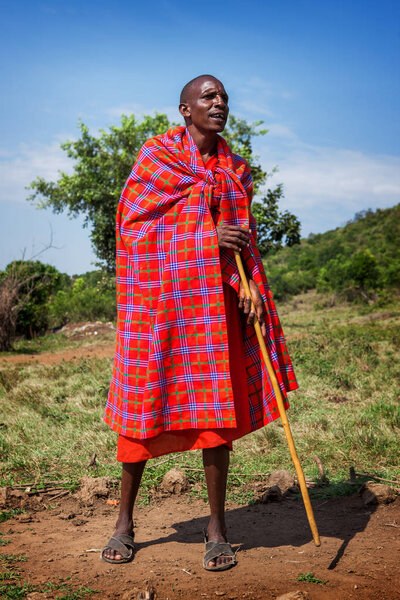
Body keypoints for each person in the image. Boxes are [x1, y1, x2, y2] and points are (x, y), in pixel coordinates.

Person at [102, 75, 298, 570]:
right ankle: (124, 524)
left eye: (224, 98)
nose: (219, 103)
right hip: (163, 306)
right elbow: (133, 229)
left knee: (215, 419)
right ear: (185, 109)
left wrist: (250, 287)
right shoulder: (156, 159)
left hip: (215, 308)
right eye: (208, 97)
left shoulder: (235, 170)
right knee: (144, 410)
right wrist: (204, 236)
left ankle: (217, 529)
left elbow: (242, 240)